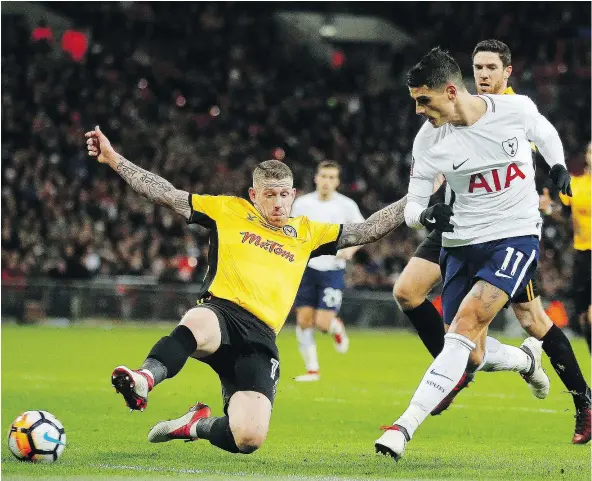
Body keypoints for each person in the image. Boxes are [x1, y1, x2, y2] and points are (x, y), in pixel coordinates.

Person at [84, 126, 408, 454]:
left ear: (294, 194)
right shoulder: (229, 211)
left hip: (260, 339)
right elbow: (166, 193)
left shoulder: (308, 232)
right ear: (254, 195)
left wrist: (417, 197)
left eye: (284, 194)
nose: (279, 202)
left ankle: (196, 424)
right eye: (270, 194)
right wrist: (113, 159)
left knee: (249, 438)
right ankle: (144, 379)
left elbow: (368, 230)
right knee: (197, 321)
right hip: (221, 314)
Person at [375, 47, 573, 460]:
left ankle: (402, 426)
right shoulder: (429, 140)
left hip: (515, 235)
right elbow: (412, 206)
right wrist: (427, 212)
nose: (417, 111)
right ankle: (523, 362)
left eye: (423, 100)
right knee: (472, 353)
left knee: (467, 324)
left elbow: (544, 132)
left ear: (450, 91)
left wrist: (557, 166)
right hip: (462, 243)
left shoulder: (514, 109)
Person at [291, 160, 364, 382]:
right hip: (307, 267)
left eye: (332, 177)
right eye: (323, 176)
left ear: (338, 182)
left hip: (332, 269)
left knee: (322, 323)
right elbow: (292, 232)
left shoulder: (346, 205)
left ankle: (335, 327)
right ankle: (312, 369)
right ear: (316, 178)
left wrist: (350, 251)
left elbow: (362, 232)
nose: (327, 181)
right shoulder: (302, 204)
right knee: (303, 320)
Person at [560, 141, 591, 354]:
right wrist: (546, 210)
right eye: (590, 151)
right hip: (581, 255)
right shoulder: (575, 185)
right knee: (582, 316)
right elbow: (562, 218)